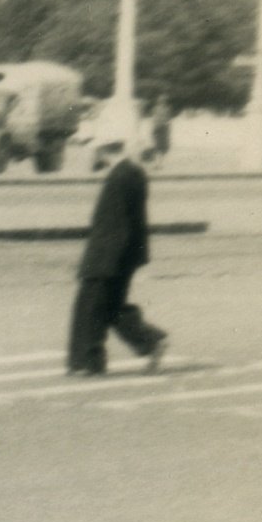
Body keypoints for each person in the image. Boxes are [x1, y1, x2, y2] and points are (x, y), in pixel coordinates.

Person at [68, 136, 169, 376]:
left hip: (108, 256)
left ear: (103, 150)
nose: (90, 156)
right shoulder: (132, 172)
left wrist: (100, 263)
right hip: (125, 254)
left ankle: (88, 362)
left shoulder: (120, 176)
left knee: (90, 306)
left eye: (93, 151)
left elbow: (114, 225)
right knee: (111, 307)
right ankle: (150, 341)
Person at [148, 95, 175, 168]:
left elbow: (168, 119)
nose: (161, 103)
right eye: (160, 101)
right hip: (158, 128)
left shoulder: (167, 109)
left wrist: (168, 129)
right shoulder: (156, 109)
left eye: (163, 101)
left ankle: (159, 163)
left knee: (161, 147)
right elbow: (154, 119)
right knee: (158, 147)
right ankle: (158, 163)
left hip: (163, 128)